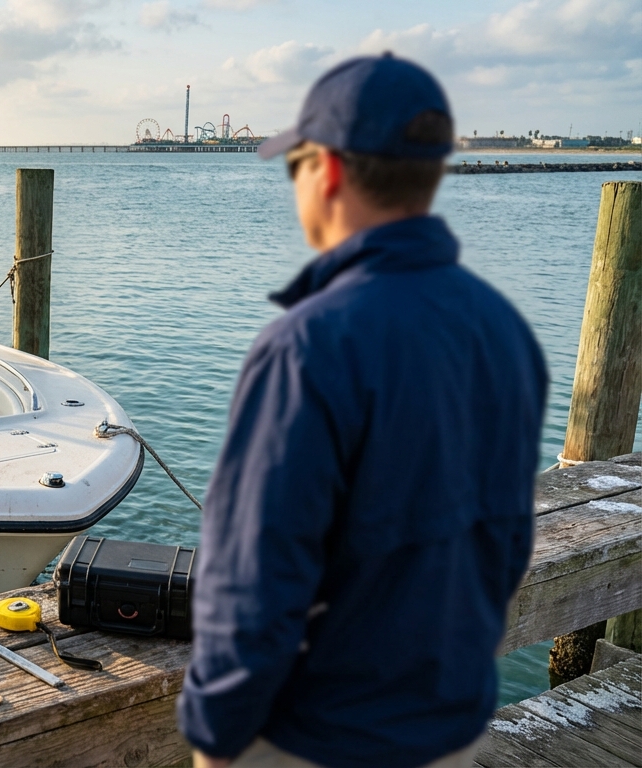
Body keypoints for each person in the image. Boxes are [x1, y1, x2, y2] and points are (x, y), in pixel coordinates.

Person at [178, 54, 547, 768]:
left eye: (296, 168)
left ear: (331, 172)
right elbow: (506, 544)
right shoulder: (505, 328)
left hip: (317, 737)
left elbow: (255, 578)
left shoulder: (307, 345)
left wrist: (215, 736)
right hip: (452, 726)